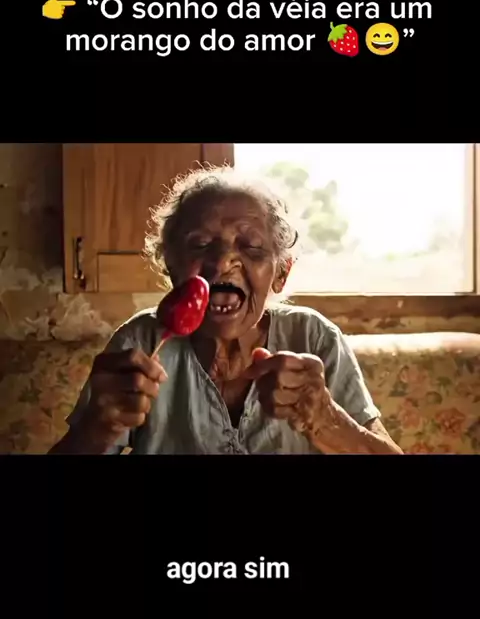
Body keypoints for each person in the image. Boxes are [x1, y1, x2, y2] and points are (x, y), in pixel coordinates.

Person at [49, 165, 402, 455]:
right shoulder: (141, 341)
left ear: (281, 273)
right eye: (201, 244)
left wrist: (325, 421)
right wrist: (99, 425)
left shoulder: (314, 338)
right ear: (171, 265)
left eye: (251, 246)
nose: (221, 262)